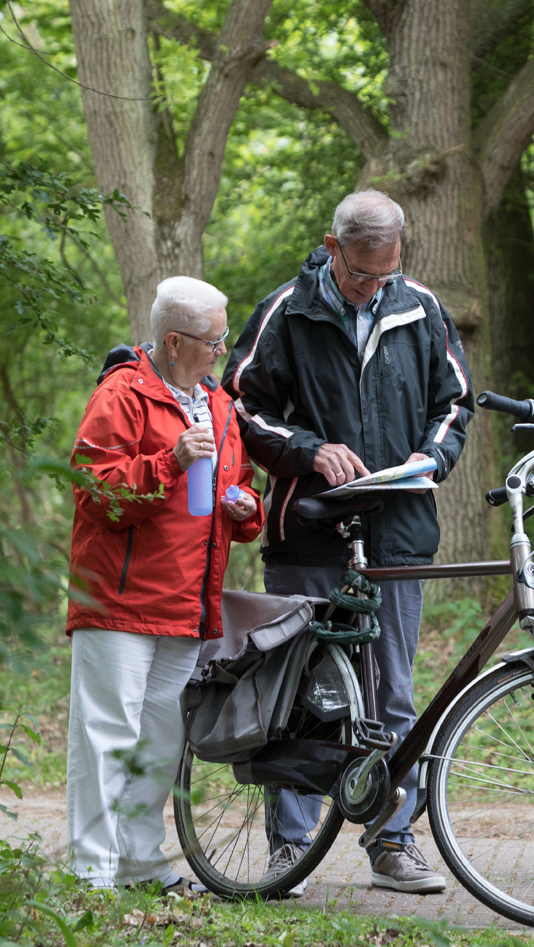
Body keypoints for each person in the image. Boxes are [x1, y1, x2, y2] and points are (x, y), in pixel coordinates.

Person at [223, 190, 473, 895]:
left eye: (386, 274)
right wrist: (307, 451)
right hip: (310, 529)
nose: (373, 288)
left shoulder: (420, 308)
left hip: (397, 532)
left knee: (391, 691)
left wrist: (432, 458)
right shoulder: (287, 312)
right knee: (299, 690)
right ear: (332, 249)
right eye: (362, 275)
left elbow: (453, 403)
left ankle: (392, 840)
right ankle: (289, 849)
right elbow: (240, 404)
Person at [66, 276, 263, 892]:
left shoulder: (221, 404)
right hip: (119, 603)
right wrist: (170, 461)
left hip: (187, 605)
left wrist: (245, 506)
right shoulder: (121, 394)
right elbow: (96, 494)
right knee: (107, 736)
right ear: (174, 342)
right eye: (213, 340)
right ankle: (91, 874)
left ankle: (142, 864)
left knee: (162, 739)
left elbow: (244, 483)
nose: (222, 350)